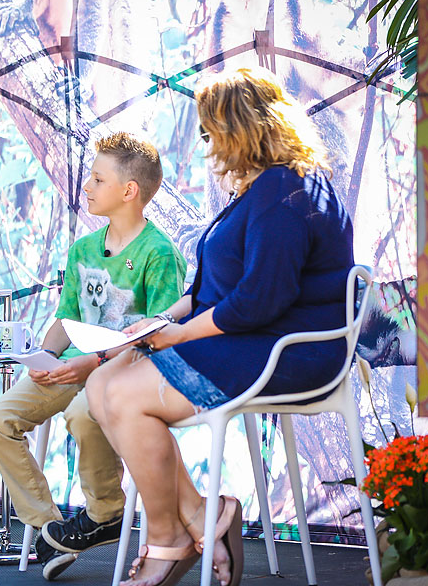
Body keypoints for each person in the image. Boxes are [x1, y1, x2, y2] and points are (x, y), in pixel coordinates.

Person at [86, 66, 355, 586]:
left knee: (122, 396)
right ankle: (202, 517)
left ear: (241, 128)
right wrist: (164, 320)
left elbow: (260, 299)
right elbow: (216, 287)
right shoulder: (266, 187)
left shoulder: (287, 189)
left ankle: (171, 539)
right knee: (102, 382)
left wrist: (180, 335)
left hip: (285, 352)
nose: (208, 145)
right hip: (250, 340)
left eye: (212, 132)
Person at [0, 133, 186, 580]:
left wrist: (88, 365)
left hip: (124, 373)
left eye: (97, 178)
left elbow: (157, 333)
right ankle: (52, 528)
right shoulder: (82, 249)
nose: (87, 187)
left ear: (129, 191)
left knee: (81, 413)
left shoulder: (159, 252)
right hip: (72, 367)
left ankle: (107, 513)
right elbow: (65, 318)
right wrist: (44, 358)